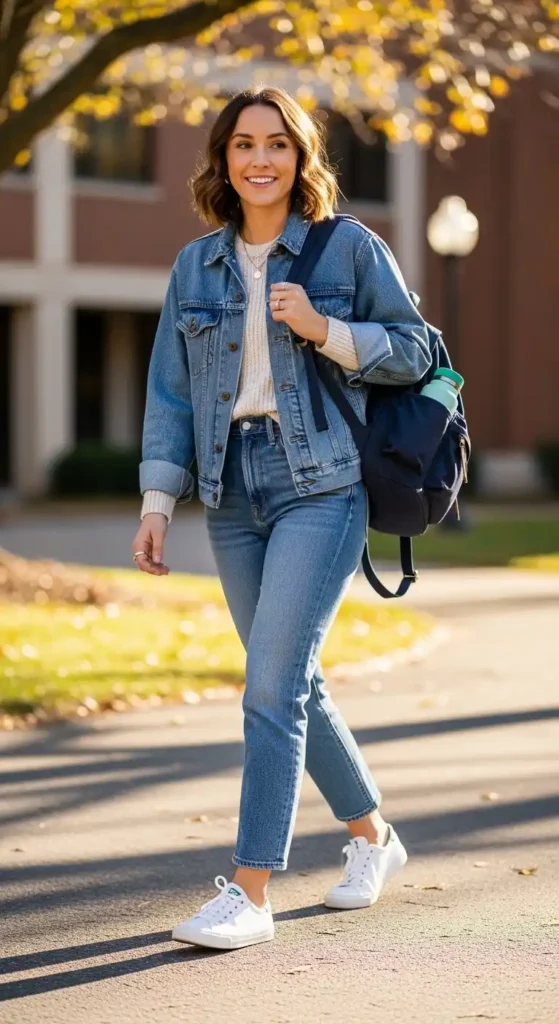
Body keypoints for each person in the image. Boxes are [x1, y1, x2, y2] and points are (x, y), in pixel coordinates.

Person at [132, 86, 432, 951]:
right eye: (241, 145)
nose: (259, 160)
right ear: (222, 161)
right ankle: (374, 838)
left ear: (301, 159)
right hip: (231, 491)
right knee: (293, 683)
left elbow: (415, 347)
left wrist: (326, 329)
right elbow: (171, 394)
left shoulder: (347, 249)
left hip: (322, 483)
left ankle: (250, 891)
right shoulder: (196, 266)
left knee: (268, 689)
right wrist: (159, 502)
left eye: (276, 145)